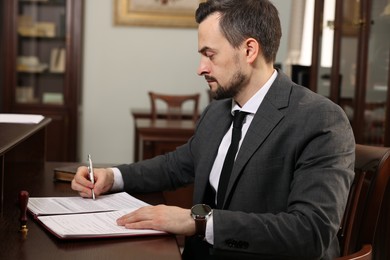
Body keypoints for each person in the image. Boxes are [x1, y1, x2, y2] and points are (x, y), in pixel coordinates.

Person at [72, 0, 355, 259]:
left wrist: (195, 222)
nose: (200, 68)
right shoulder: (218, 112)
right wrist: (113, 176)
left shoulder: (321, 120)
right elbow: (175, 166)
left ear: (249, 50)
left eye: (210, 54)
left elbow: (310, 231)